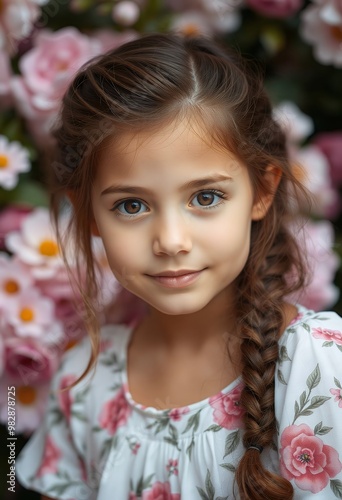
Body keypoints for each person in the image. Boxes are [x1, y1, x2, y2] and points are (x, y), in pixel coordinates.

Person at [16, 33, 342, 500]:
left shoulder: (318, 366)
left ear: (262, 191)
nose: (170, 241)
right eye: (131, 206)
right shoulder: (84, 381)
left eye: (205, 197)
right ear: (88, 214)